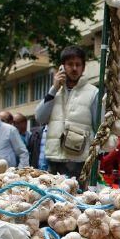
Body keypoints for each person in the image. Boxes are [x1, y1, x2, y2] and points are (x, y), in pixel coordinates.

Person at [35, 45, 100, 177]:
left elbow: (98, 126)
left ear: (83, 68)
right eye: (70, 64)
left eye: (78, 64)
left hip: (79, 160)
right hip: (54, 158)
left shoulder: (93, 92)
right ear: (62, 67)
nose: (74, 68)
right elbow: (40, 118)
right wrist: (53, 89)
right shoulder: (54, 91)